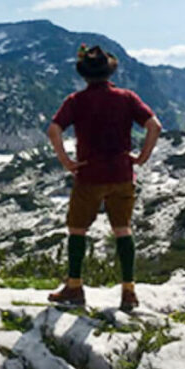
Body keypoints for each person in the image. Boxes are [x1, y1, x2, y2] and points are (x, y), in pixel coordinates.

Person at [45, 44, 162, 311]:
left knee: (77, 230)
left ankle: (74, 286)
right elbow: (154, 125)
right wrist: (142, 157)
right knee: (123, 230)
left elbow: (54, 129)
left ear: (84, 75)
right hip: (121, 173)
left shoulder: (75, 101)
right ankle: (129, 292)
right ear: (109, 72)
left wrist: (66, 161)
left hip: (88, 174)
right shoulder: (127, 97)